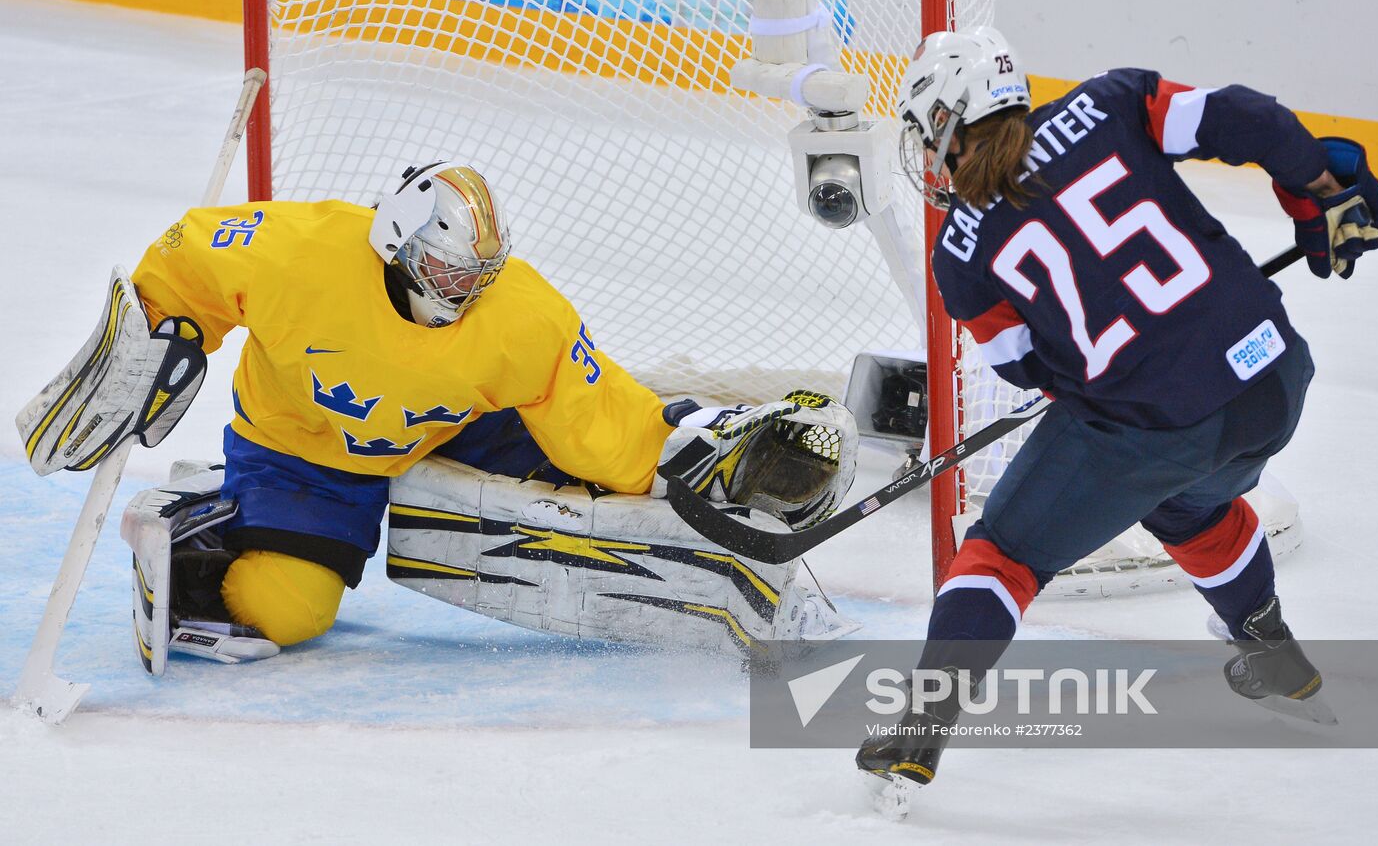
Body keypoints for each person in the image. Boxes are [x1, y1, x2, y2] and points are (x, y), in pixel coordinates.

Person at [22, 162, 859, 673]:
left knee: (602, 443)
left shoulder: (519, 314)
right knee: (290, 610)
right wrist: (172, 327)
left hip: (451, 421)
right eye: (449, 272)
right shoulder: (301, 252)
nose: (466, 292)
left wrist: (669, 457)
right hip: (303, 446)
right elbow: (191, 250)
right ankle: (202, 527)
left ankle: (704, 432)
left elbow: (586, 411)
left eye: (479, 275)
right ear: (398, 242)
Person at [856, 28, 1378, 801]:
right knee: (1184, 500)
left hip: (1156, 422)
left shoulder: (960, 261)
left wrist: (1104, 370)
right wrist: (1320, 185)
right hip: (1273, 378)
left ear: (947, 124)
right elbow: (1254, 119)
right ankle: (1271, 652)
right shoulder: (1113, 101)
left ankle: (919, 730)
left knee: (1001, 551)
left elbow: (1028, 370)